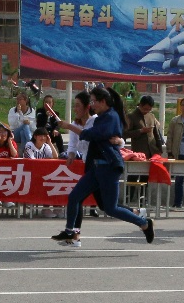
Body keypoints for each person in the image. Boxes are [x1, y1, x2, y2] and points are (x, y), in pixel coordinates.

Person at [51, 86, 155, 248]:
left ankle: (144, 223)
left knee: (110, 208)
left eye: (94, 102)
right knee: (74, 197)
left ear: (103, 101)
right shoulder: (102, 117)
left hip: (109, 167)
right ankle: (70, 231)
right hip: (96, 167)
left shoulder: (111, 117)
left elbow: (93, 135)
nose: (92, 105)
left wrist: (69, 126)